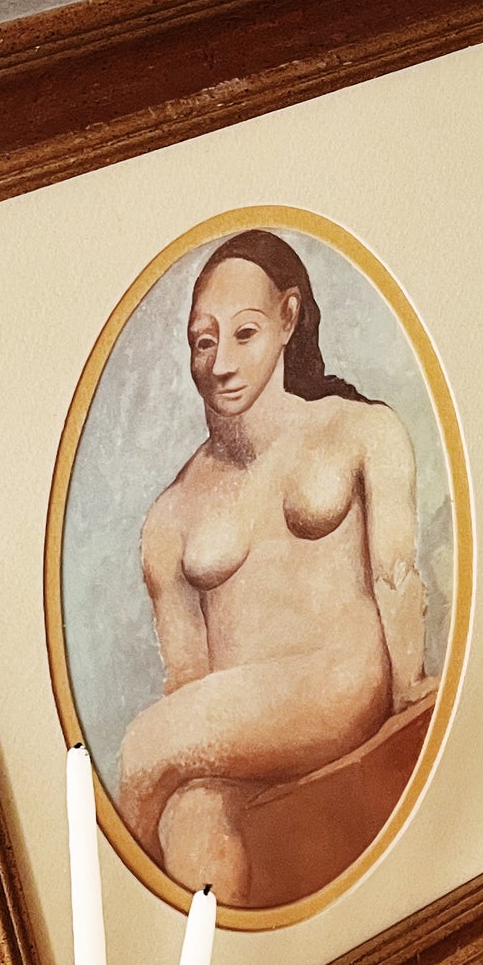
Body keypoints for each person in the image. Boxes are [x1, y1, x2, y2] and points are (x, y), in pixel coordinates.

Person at [117, 229, 432, 904]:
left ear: (288, 319)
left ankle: (121, 916)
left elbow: (396, 573)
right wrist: (202, 770)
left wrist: (409, 682)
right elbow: (190, 683)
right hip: (247, 735)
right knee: (191, 821)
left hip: (341, 681)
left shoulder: (360, 430)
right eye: (204, 341)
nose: (221, 363)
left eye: (244, 333)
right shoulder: (169, 517)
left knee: (142, 748)